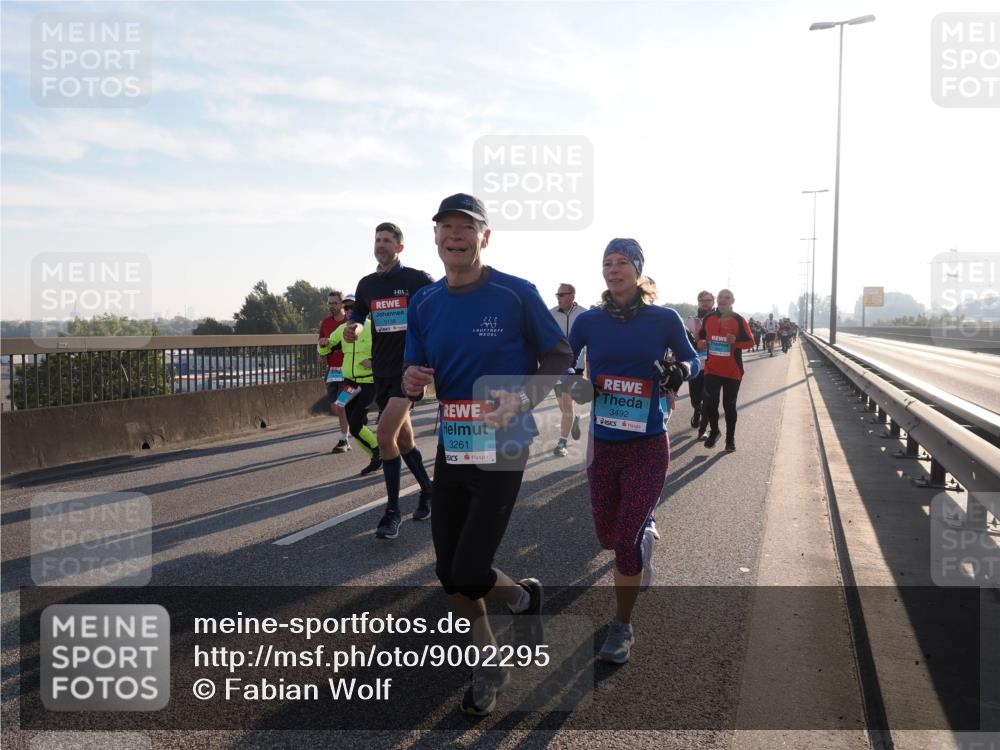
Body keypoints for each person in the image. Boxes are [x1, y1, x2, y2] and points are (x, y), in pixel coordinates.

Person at [402, 193, 572, 716]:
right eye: (446, 227)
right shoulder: (425, 302)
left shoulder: (515, 294)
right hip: (454, 445)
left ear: (485, 237)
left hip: (504, 445)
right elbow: (416, 373)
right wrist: (410, 381)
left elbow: (560, 354)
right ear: (435, 237)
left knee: (470, 565)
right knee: (449, 573)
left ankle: (523, 599)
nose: (455, 235)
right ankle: (489, 655)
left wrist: (520, 397)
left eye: (466, 228)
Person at [564, 239, 698, 665]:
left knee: (623, 542)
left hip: (647, 444)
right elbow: (568, 369)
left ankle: (621, 626)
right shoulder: (588, 321)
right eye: (607, 262)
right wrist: (579, 384)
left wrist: (679, 370)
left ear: (638, 271)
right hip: (604, 444)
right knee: (607, 536)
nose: (613, 269)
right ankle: (643, 530)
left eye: (623, 262)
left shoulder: (663, 319)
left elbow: (695, 361)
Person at [344, 223, 436, 538]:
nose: (381, 244)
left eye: (387, 240)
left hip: (409, 371)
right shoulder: (367, 284)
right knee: (404, 440)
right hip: (380, 371)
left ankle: (392, 512)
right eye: (377, 240)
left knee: (384, 436)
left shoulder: (417, 280)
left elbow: (440, 310)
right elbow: (357, 314)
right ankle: (428, 489)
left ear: (400, 247)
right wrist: (354, 327)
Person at [320, 299, 381, 469]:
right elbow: (326, 349)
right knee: (353, 425)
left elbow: (387, 352)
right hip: (349, 383)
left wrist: (373, 362)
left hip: (368, 382)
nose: (350, 310)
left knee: (355, 425)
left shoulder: (373, 327)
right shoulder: (341, 329)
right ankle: (375, 458)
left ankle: (379, 450)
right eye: (346, 307)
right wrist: (322, 346)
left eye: (354, 307)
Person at [695, 289, 755, 451]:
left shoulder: (738, 319)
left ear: (732, 300)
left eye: (727, 297)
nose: (723, 300)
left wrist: (735, 342)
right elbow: (700, 336)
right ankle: (714, 431)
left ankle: (730, 440)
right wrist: (700, 342)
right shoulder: (709, 317)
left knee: (729, 406)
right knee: (710, 403)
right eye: (720, 297)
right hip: (712, 369)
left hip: (732, 371)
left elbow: (751, 342)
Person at [550, 283, 585, 457]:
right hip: (556, 367)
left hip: (574, 368)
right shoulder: (551, 314)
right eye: (557, 295)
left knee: (567, 404)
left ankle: (562, 443)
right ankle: (574, 420)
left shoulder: (584, 314)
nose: (558, 297)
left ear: (572, 295)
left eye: (561, 294)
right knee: (563, 407)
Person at [318, 291, 353, 453]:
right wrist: (321, 354)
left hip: (348, 371)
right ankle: (353, 424)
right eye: (329, 303)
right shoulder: (325, 322)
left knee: (341, 405)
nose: (331, 306)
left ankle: (344, 439)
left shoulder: (351, 321)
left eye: (334, 303)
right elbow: (322, 342)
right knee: (334, 407)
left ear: (341, 304)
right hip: (333, 371)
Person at [685, 291, 714, 437]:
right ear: (698, 302)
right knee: (695, 397)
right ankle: (697, 409)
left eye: (708, 300)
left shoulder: (718, 320)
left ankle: (703, 429)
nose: (705, 303)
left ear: (713, 302)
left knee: (708, 398)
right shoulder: (691, 321)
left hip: (713, 366)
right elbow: (683, 342)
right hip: (695, 365)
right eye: (702, 300)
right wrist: (696, 345)